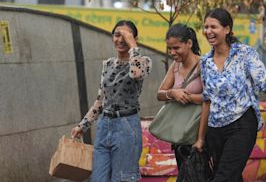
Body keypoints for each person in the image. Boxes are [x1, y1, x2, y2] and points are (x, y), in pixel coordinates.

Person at [196, 8, 266, 182]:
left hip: (241, 125)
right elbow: (207, 101)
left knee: (223, 177)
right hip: (214, 130)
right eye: (206, 27)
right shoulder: (205, 62)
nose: (208, 31)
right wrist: (201, 138)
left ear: (227, 29)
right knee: (231, 176)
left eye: (213, 27)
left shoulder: (244, 54)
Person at [70, 20, 152, 182]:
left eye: (126, 36)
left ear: (134, 39)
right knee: (98, 179)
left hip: (126, 126)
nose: (120, 39)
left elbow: (135, 73)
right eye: (117, 35)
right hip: (104, 125)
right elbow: (101, 99)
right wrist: (83, 125)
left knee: (122, 178)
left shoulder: (143, 62)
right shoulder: (107, 64)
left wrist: (133, 45)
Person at [156, 23, 206, 169]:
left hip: (197, 133)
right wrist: (172, 93)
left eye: (176, 48)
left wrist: (188, 97)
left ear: (189, 43)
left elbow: (211, 98)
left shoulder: (203, 65)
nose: (172, 52)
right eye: (169, 48)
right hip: (179, 134)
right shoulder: (175, 66)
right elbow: (160, 94)